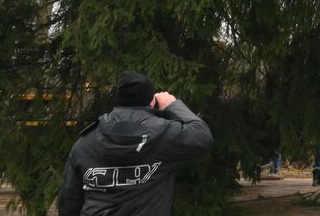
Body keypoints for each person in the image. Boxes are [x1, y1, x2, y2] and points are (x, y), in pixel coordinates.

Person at [57, 71, 213, 216]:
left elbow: (69, 202)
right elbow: (202, 136)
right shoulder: (164, 136)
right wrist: (173, 105)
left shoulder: (86, 142)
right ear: (152, 102)